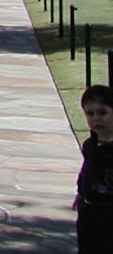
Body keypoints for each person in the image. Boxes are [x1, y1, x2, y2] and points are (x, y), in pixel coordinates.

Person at [75, 84, 113, 253]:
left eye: (102, 113)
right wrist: (80, 193)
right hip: (89, 211)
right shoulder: (90, 146)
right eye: (90, 114)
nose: (96, 119)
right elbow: (85, 172)